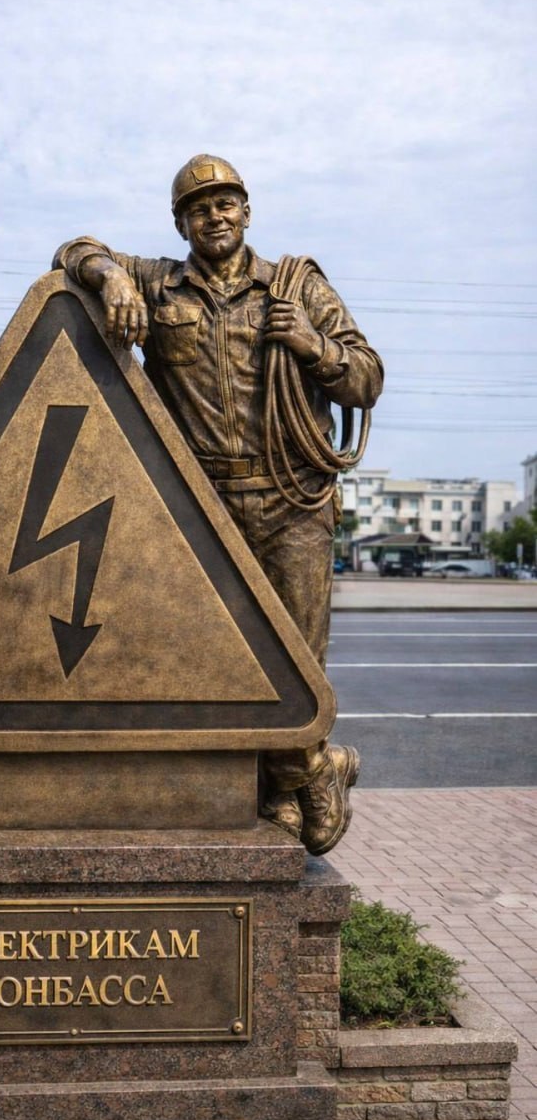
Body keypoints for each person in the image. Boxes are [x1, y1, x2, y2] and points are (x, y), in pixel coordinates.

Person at [53, 154, 384, 855]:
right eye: (198, 208)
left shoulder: (298, 286)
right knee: (218, 656)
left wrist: (312, 346)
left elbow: (366, 381)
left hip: (292, 498)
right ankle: (304, 774)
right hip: (203, 503)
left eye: (226, 203)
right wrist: (110, 276)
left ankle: (285, 781)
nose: (214, 216)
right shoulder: (156, 283)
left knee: (294, 656)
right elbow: (72, 250)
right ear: (181, 225)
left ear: (247, 212)